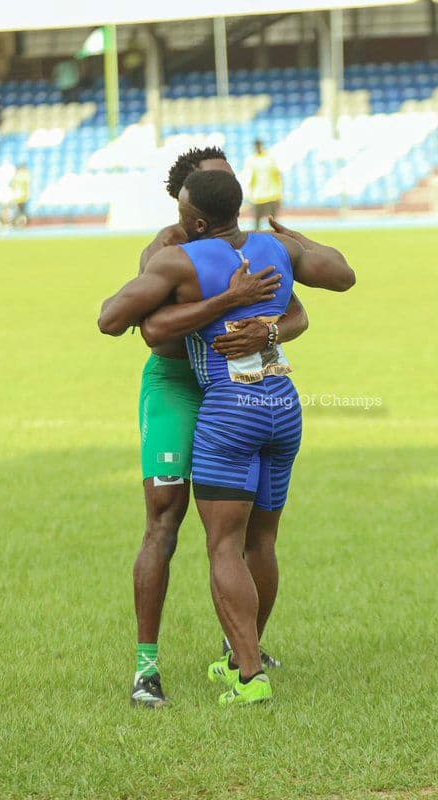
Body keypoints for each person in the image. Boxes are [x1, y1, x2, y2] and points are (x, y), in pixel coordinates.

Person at [98, 170, 355, 705]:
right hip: (282, 403)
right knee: (248, 537)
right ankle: (233, 657)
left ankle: (249, 674)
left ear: (194, 217)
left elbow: (115, 319)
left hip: (229, 408)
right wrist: (294, 242)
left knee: (225, 546)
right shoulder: (273, 249)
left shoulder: (179, 259)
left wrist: (217, 302)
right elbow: (340, 276)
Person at [244, 139, 283, 231]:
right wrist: (250, 194)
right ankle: (257, 243)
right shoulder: (252, 160)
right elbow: (250, 179)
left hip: (272, 195)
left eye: (259, 145)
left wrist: (280, 193)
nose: (258, 148)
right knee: (257, 224)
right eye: (257, 146)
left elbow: (278, 175)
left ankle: (274, 242)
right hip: (257, 197)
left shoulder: (270, 159)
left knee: (273, 223)